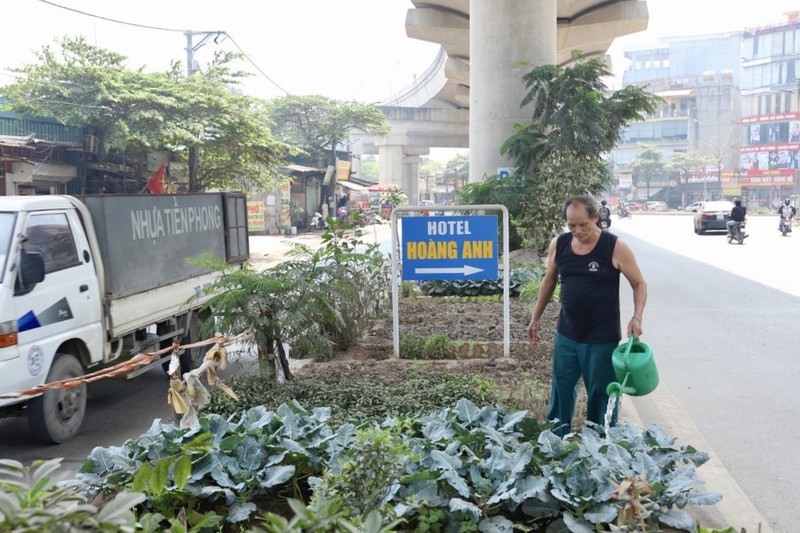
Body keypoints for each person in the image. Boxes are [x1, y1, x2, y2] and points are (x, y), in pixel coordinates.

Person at [527, 195, 647, 436]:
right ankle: (556, 440)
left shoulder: (615, 247)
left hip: (601, 338)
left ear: (596, 217)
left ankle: (601, 442)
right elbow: (549, 280)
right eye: (571, 225)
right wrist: (536, 317)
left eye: (583, 224)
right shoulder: (559, 245)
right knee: (561, 387)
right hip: (567, 334)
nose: (578, 230)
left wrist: (637, 317)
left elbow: (639, 284)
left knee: (600, 393)